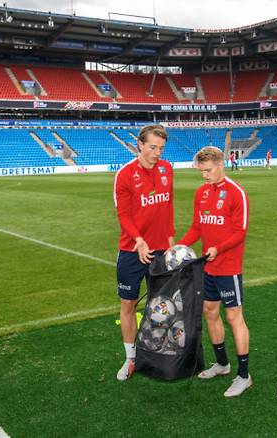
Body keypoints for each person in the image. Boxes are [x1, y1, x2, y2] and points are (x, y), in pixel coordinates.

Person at [178, 146, 251, 397]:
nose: (204, 175)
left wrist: (217, 248)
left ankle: (244, 376)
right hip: (207, 266)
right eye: (201, 171)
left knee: (234, 317)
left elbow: (240, 232)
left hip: (228, 266)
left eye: (207, 170)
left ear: (220, 164)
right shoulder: (201, 193)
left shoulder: (236, 193)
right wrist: (178, 246)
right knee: (210, 312)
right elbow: (197, 227)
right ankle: (222, 364)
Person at [113, 124, 175, 381]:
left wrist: (171, 242)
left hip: (161, 250)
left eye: (161, 148)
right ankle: (130, 359)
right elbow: (124, 215)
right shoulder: (125, 174)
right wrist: (138, 240)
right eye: (152, 147)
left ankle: (156, 353)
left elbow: (168, 206)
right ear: (139, 144)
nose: (157, 153)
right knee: (128, 304)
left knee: (161, 306)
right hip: (131, 250)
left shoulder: (167, 169)